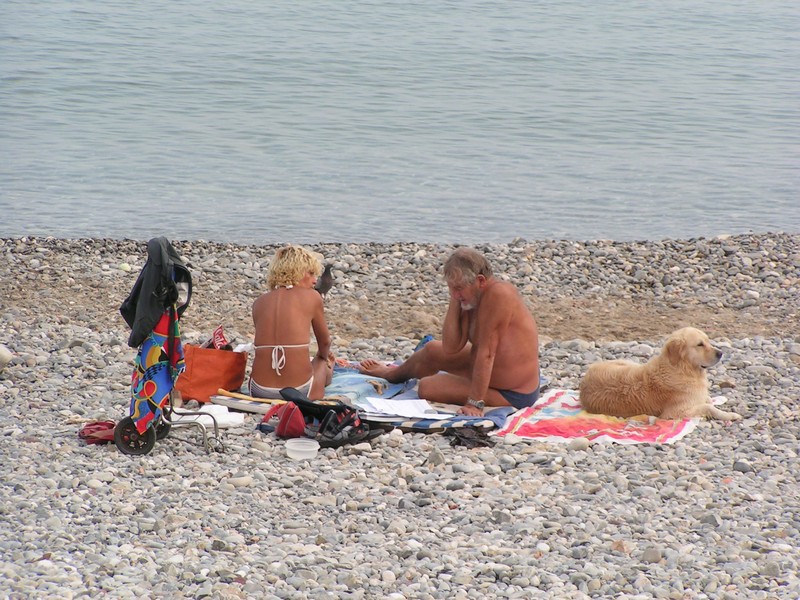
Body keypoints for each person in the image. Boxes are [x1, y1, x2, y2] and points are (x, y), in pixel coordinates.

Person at [358, 247, 540, 416]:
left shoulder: (499, 295)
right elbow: (451, 346)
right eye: (450, 288)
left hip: (512, 392)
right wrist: (458, 299)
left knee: (427, 387)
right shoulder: (473, 296)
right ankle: (391, 374)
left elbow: (487, 353)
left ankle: (473, 392)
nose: (454, 294)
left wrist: (474, 403)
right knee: (430, 350)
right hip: (488, 369)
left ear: (481, 281)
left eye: (459, 288)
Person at [249, 245, 334, 400]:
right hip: (300, 392)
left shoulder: (259, 302)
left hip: (258, 389)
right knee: (323, 361)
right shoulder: (312, 297)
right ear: (297, 271)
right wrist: (324, 358)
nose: (315, 280)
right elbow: (325, 342)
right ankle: (327, 371)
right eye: (311, 273)